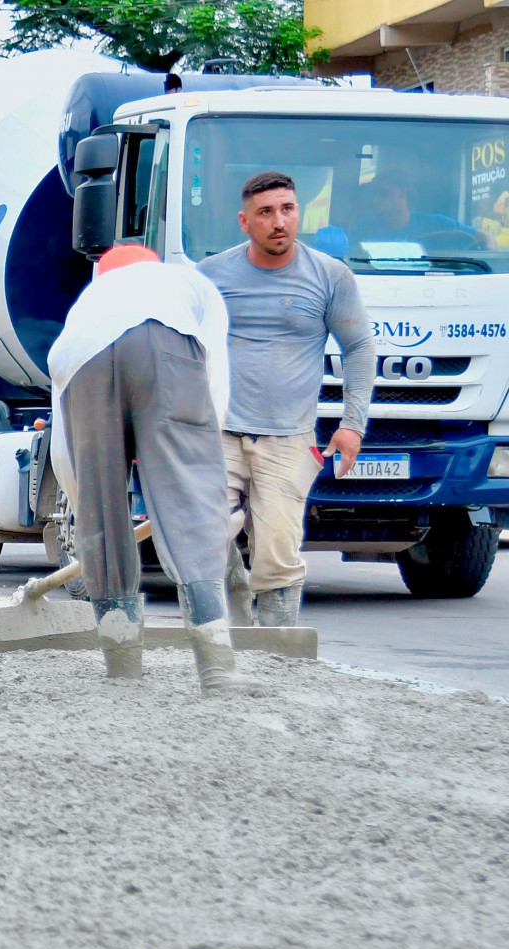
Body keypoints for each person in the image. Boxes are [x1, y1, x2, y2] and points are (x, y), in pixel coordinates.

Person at [48, 243, 253, 694]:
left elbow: (63, 446)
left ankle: (124, 670)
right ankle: (217, 669)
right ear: (154, 265)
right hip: (168, 342)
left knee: (102, 521)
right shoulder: (189, 283)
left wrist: (86, 507)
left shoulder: (86, 306)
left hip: (83, 362)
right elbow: (214, 372)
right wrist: (191, 455)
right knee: (191, 508)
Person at [199, 171, 375, 626]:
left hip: (288, 439)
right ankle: (231, 634)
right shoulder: (210, 276)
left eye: (287, 209)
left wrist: (352, 424)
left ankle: (278, 654)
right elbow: (179, 350)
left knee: (277, 552)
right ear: (244, 221)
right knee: (204, 537)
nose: (279, 221)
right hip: (218, 432)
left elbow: (358, 347)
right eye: (265, 212)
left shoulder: (330, 276)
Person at [350, 177, 485, 251]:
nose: (376, 199)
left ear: (403, 193)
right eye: (374, 194)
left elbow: (485, 237)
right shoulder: (364, 227)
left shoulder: (436, 223)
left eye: (384, 193)